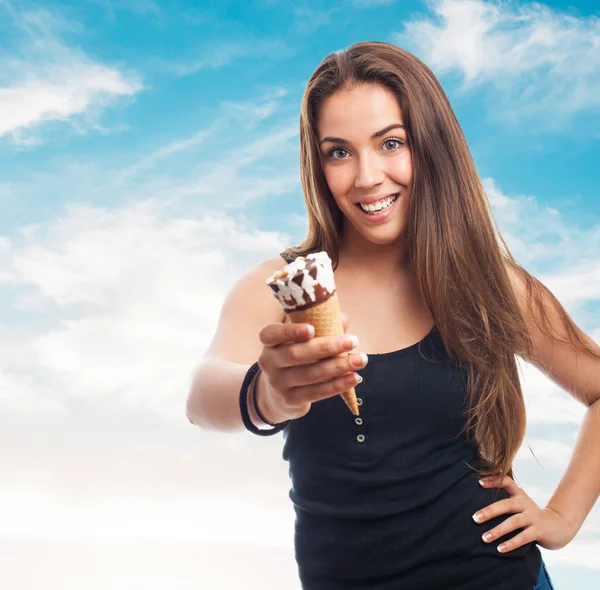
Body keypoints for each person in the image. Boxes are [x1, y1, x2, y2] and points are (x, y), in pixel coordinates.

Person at [186, 41, 600, 589]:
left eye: (391, 143)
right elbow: (201, 396)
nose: (366, 177)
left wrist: (562, 518)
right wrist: (268, 394)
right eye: (339, 152)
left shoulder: (489, 283)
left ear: (430, 146)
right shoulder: (284, 287)